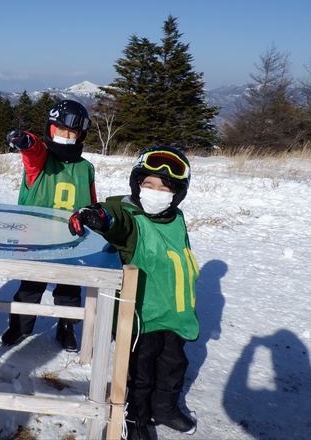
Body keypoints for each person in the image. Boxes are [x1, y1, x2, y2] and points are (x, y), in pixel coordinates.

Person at [67, 145, 199, 440]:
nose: (155, 191)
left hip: (176, 314)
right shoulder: (131, 217)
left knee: (173, 364)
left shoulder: (176, 218)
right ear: (136, 184)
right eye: (148, 184)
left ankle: (164, 407)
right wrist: (96, 215)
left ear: (177, 194)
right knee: (140, 370)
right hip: (143, 315)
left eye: (165, 187)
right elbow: (114, 217)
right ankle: (136, 416)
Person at [1, 100, 96, 352]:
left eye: (72, 132)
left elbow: (91, 201)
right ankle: (19, 326)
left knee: (69, 289)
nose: (66, 136)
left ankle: (66, 327)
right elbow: (32, 150)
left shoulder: (86, 168)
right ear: (50, 130)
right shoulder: (41, 160)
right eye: (60, 130)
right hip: (36, 238)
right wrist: (24, 140)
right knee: (30, 286)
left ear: (80, 135)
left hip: (70, 240)